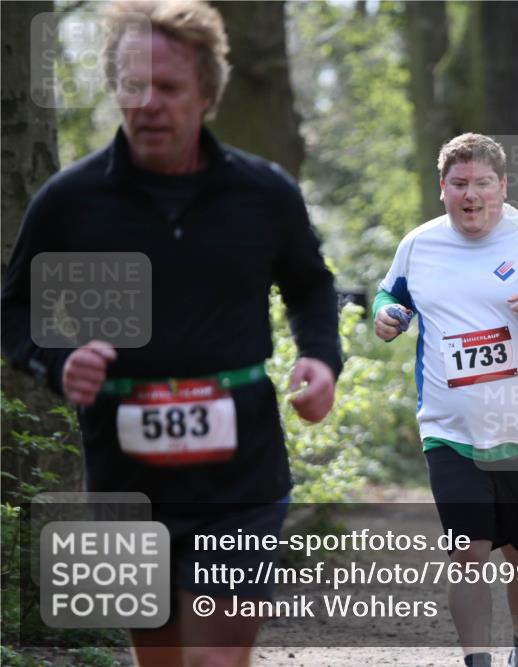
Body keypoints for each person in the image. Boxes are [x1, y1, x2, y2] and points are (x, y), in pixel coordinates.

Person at [0, 2, 341, 665]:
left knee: (216, 657)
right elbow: (12, 310)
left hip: (240, 470)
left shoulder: (263, 193)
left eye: (169, 86)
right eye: (133, 85)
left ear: (208, 93)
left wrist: (321, 358)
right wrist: (56, 361)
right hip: (126, 468)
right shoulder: (71, 201)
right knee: (161, 659)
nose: (148, 103)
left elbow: (310, 284)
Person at [373, 133, 518, 667]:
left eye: (482, 184)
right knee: (468, 552)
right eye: (460, 184)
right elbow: (392, 294)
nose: (471, 195)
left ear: (502, 187)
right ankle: (476, 660)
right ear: (443, 189)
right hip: (447, 429)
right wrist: (385, 315)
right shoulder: (418, 244)